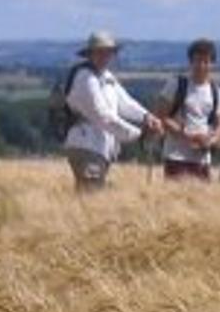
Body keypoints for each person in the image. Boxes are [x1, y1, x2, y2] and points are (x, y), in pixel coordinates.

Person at [63, 31, 165, 192]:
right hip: (86, 145)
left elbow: (125, 103)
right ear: (90, 54)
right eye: (99, 52)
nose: (104, 57)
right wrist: (139, 134)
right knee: (91, 197)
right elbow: (103, 116)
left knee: (91, 196)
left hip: (99, 148)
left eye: (108, 52)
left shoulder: (106, 76)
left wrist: (147, 117)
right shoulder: (86, 78)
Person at [158, 38, 220, 182]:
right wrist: (188, 136)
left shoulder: (216, 91)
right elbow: (161, 116)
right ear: (190, 62)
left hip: (202, 158)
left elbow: (219, 124)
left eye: (206, 62)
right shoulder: (176, 84)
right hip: (176, 156)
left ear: (212, 64)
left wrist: (211, 141)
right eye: (198, 61)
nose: (201, 66)